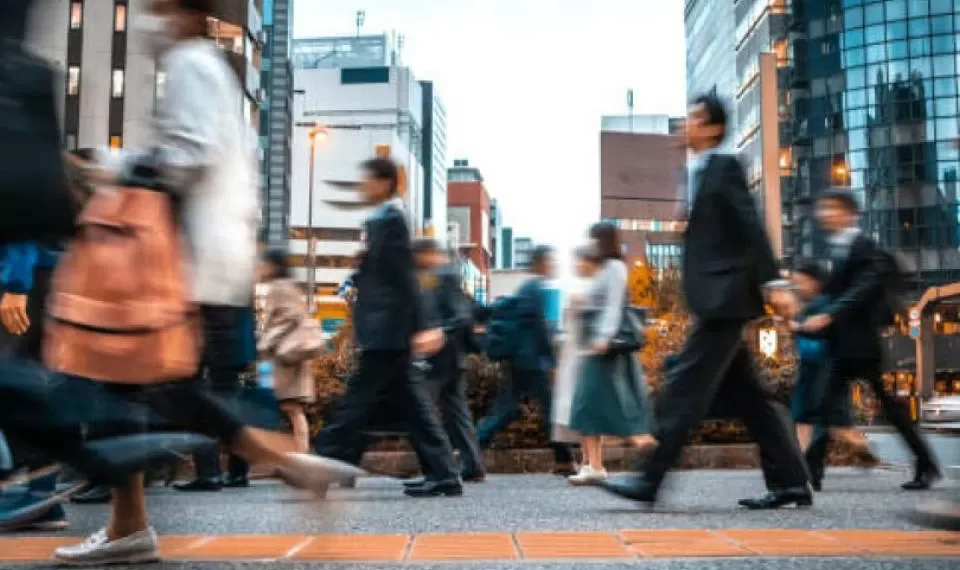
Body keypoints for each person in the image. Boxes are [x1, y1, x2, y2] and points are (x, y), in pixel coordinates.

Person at [50, 0, 361, 564]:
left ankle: (280, 465)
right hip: (207, 258)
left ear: (178, 13)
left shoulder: (193, 64)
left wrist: (116, 168)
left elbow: (189, 155)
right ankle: (135, 524)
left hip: (185, 261)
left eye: (153, 8)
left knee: (136, 385)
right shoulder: (212, 71)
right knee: (151, 389)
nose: (145, 20)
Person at [600, 93, 811, 510]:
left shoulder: (723, 167)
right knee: (752, 399)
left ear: (713, 128)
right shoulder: (694, 173)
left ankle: (649, 481)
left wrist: (772, 280)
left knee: (684, 390)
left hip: (726, 299)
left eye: (695, 118)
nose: (686, 124)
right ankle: (791, 482)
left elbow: (751, 226)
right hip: (716, 299)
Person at [311, 157, 463, 499]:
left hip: (389, 330)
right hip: (388, 330)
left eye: (367, 180)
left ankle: (319, 466)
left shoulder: (391, 219)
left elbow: (405, 278)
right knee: (412, 407)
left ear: (383, 182)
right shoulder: (383, 219)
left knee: (355, 402)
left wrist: (425, 325)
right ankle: (444, 474)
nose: (363, 186)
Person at [796, 189, 939, 491]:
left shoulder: (863, 246)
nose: (825, 214)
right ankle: (811, 470)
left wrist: (829, 315)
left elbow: (864, 288)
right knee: (824, 406)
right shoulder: (839, 249)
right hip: (843, 344)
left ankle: (925, 464)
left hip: (861, 345)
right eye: (823, 209)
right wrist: (804, 319)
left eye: (832, 208)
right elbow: (833, 291)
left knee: (882, 409)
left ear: (850, 214)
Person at [567, 225, 656, 486]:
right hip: (595, 346)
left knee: (589, 405)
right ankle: (594, 465)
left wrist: (604, 337)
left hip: (603, 348)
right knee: (589, 408)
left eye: (593, 238)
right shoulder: (606, 269)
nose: (590, 243)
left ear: (603, 240)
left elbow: (614, 306)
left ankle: (655, 454)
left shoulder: (615, 268)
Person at [476, 246, 577, 476]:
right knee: (548, 410)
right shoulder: (535, 288)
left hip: (521, 359)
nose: (553, 266)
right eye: (551, 261)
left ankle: (473, 446)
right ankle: (564, 461)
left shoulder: (528, 288)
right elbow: (540, 329)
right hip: (533, 361)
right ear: (540, 262)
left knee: (507, 408)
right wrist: (552, 361)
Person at [788, 260, 877, 491]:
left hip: (824, 368)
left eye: (801, 282)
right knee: (804, 418)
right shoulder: (808, 304)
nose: (798, 287)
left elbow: (822, 330)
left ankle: (859, 447)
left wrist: (798, 326)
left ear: (814, 282)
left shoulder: (826, 304)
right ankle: (802, 466)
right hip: (808, 368)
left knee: (831, 421)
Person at [0, 241, 68, 531]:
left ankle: (39, 495)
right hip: (28, 270)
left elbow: (22, 218)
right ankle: (40, 494)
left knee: (16, 380)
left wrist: (17, 283)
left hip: (24, 272)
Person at [405, 239, 484, 483]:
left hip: (441, 357)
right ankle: (471, 465)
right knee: (456, 413)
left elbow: (459, 315)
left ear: (428, 254)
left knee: (422, 412)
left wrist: (438, 333)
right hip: (450, 357)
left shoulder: (444, 276)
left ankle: (437, 469)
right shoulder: (441, 275)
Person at [257, 249, 316, 454]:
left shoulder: (279, 287)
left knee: (290, 408)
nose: (259, 268)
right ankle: (297, 454)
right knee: (285, 408)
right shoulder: (287, 286)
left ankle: (300, 455)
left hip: (282, 358)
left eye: (262, 264)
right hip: (284, 357)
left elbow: (292, 317)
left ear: (273, 266)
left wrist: (266, 341)